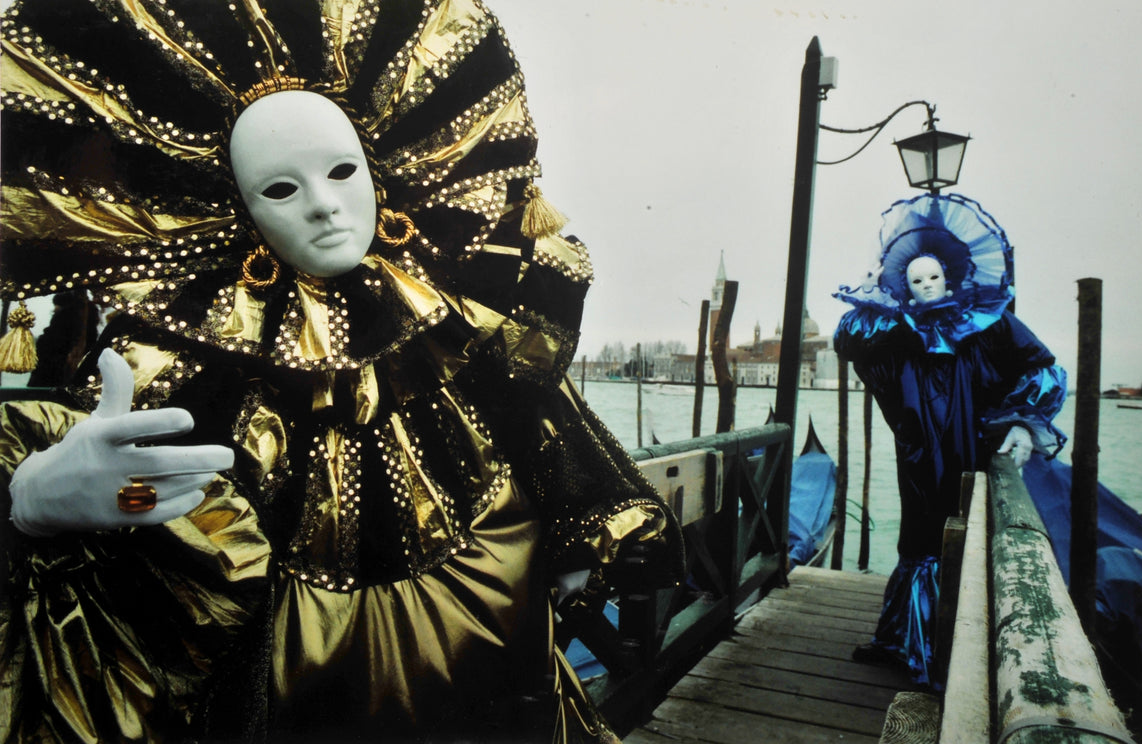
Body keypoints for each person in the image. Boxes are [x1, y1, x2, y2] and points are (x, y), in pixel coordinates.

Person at [0, 2, 682, 741]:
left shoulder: (451, 317)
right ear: (235, 206)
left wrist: (581, 532)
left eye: (341, 170)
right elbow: (142, 532)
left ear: (378, 163)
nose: (326, 208)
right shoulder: (188, 359)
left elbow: (544, 421)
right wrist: (32, 500)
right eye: (282, 189)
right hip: (295, 681)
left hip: (494, 632)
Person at [832, 193, 1067, 689]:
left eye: (932, 277)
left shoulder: (986, 323)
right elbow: (849, 339)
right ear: (907, 288)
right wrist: (872, 288)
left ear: (949, 277)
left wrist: (1022, 424)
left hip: (970, 453)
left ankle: (949, 651)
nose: (926, 286)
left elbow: (1042, 368)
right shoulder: (899, 330)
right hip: (918, 456)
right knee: (918, 541)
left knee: (960, 542)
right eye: (915, 281)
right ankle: (905, 641)